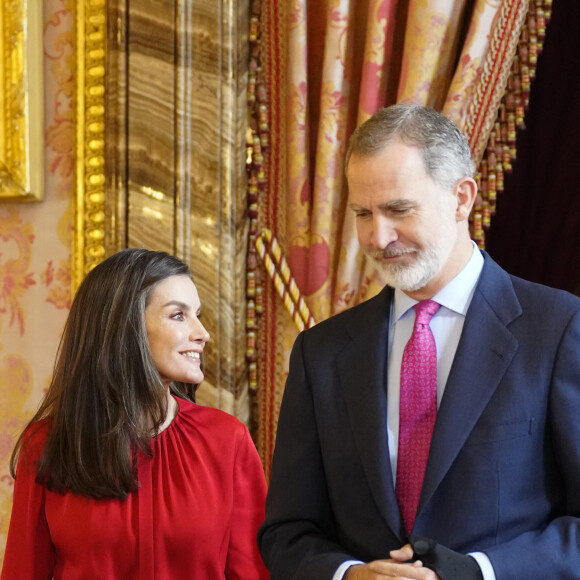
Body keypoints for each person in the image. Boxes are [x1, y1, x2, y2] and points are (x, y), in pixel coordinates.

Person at [258, 104, 580, 579]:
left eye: (397, 210)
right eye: (363, 214)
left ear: (462, 198)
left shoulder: (558, 328)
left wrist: (479, 572)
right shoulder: (320, 353)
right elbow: (286, 532)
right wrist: (347, 574)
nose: (377, 236)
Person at [1, 248, 269, 579]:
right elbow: (23, 571)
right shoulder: (47, 444)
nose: (202, 333)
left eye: (197, 314)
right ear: (124, 327)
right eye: (178, 315)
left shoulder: (227, 440)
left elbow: (255, 572)